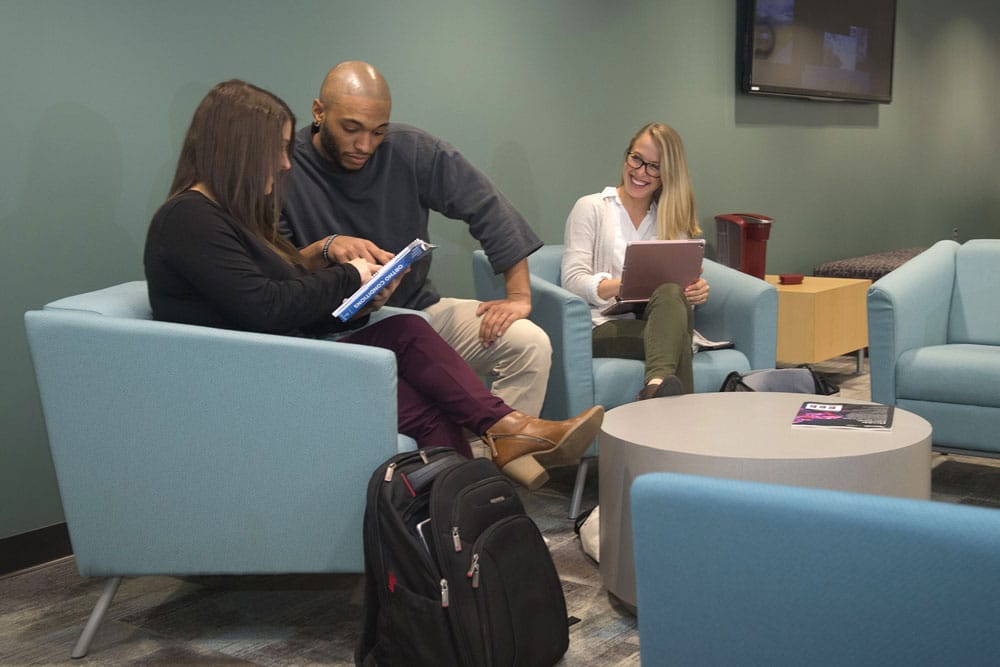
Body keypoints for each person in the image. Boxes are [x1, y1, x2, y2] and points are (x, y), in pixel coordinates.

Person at [143, 79, 602, 490]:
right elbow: (266, 306)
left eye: (377, 132)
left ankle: (505, 435)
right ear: (239, 150)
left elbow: (278, 296)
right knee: (423, 404)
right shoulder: (189, 219)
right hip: (266, 372)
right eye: (276, 149)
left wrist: (362, 298)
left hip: (293, 352)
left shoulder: (229, 218)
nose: (285, 163)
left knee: (407, 330)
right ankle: (471, 505)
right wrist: (348, 273)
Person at [280, 61, 552, 425]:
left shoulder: (412, 150)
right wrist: (325, 248)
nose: (365, 145)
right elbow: (272, 273)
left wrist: (518, 295)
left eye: (378, 132)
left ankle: (484, 467)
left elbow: (487, 205)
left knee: (529, 344)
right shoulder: (282, 167)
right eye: (351, 129)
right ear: (318, 112)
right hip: (328, 333)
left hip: (416, 312)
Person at [561, 122, 711, 400]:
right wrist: (621, 286)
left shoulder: (671, 221)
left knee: (670, 292)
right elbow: (572, 280)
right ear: (627, 155)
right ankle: (676, 414)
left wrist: (695, 291)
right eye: (636, 159)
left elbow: (675, 297)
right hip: (601, 326)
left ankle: (655, 387)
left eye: (654, 166)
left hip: (656, 319)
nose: (641, 172)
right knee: (676, 339)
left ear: (667, 175)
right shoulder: (592, 207)